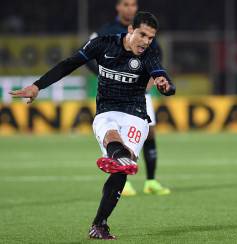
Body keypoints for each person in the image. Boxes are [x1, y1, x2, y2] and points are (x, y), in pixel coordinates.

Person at [10, 12, 175, 240]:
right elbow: (69, 64)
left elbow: (163, 78)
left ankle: (99, 224)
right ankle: (118, 156)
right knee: (114, 142)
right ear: (130, 30)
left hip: (136, 115)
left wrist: (165, 85)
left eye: (151, 37)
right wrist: (38, 86)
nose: (146, 41)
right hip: (107, 112)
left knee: (120, 173)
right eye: (143, 35)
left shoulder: (149, 54)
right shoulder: (103, 44)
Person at [87, 0, 170, 196]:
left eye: (133, 4)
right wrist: (105, 73)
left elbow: (156, 55)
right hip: (114, 94)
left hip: (139, 92)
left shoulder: (145, 29)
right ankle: (123, 179)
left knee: (149, 133)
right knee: (118, 135)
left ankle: (151, 181)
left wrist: (152, 79)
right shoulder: (106, 30)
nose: (130, 8)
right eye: (125, 4)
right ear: (117, 7)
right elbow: (87, 55)